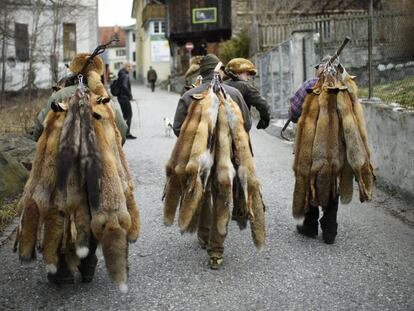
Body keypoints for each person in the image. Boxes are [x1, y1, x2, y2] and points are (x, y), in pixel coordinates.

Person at [173, 54, 252, 269]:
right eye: (221, 67)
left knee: (203, 192)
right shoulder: (234, 93)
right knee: (222, 195)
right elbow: (247, 124)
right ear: (215, 70)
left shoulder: (190, 95)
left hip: (198, 156)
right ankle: (216, 251)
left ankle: (205, 235)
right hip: (227, 156)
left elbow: (178, 128)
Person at [289, 56, 339, 244]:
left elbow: (294, 111)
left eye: (317, 67)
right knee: (332, 179)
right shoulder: (344, 87)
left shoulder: (310, 85)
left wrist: (299, 117)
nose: (315, 71)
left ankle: (310, 226)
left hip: (310, 144)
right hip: (335, 145)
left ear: (320, 68)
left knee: (309, 178)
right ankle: (329, 229)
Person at [224, 58, 271, 130]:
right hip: (240, 128)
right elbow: (263, 104)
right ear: (238, 72)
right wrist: (264, 120)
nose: (249, 78)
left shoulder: (222, 84)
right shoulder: (246, 86)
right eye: (247, 74)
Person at [117, 63, 136, 139]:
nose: (130, 68)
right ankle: (126, 133)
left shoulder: (121, 74)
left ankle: (123, 132)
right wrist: (130, 95)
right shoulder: (125, 75)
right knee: (129, 115)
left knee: (125, 116)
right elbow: (124, 86)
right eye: (129, 67)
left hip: (120, 98)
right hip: (124, 98)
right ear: (125, 67)